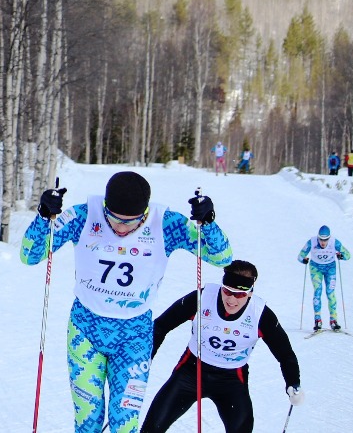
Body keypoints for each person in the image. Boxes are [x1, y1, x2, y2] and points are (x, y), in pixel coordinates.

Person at [20, 171, 232, 433]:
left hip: (134, 335)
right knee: (88, 422)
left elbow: (221, 257)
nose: (121, 228)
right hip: (85, 329)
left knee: (125, 424)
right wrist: (44, 216)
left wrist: (208, 222)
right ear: (106, 207)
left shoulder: (165, 223)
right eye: (114, 219)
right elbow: (30, 255)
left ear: (145, 212)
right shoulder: (84, 215)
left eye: (131, 222)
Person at [141, 260, 303, 433]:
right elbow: (160, 326)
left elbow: (285, 354)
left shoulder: (260, 314)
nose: (231, 299)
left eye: (239, 294)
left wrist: (293, 382)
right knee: (152, 427)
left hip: (231, 379)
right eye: (227, 291)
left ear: (249, 293)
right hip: (191, 372)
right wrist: (144, 358)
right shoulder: (202, 298)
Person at [298, 225, 351, 331]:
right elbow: (300, 256)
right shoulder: (312, 242)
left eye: (325, 239)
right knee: (318, 291)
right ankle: (317, 320)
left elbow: (348, 255)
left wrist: (342, 256)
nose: (323, 242)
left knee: (330, 293)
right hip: (315, 268)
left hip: (330, 268)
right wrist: (303, 260)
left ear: (329, 238)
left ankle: (333, 320)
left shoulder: (334, 242)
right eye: (321, 239)